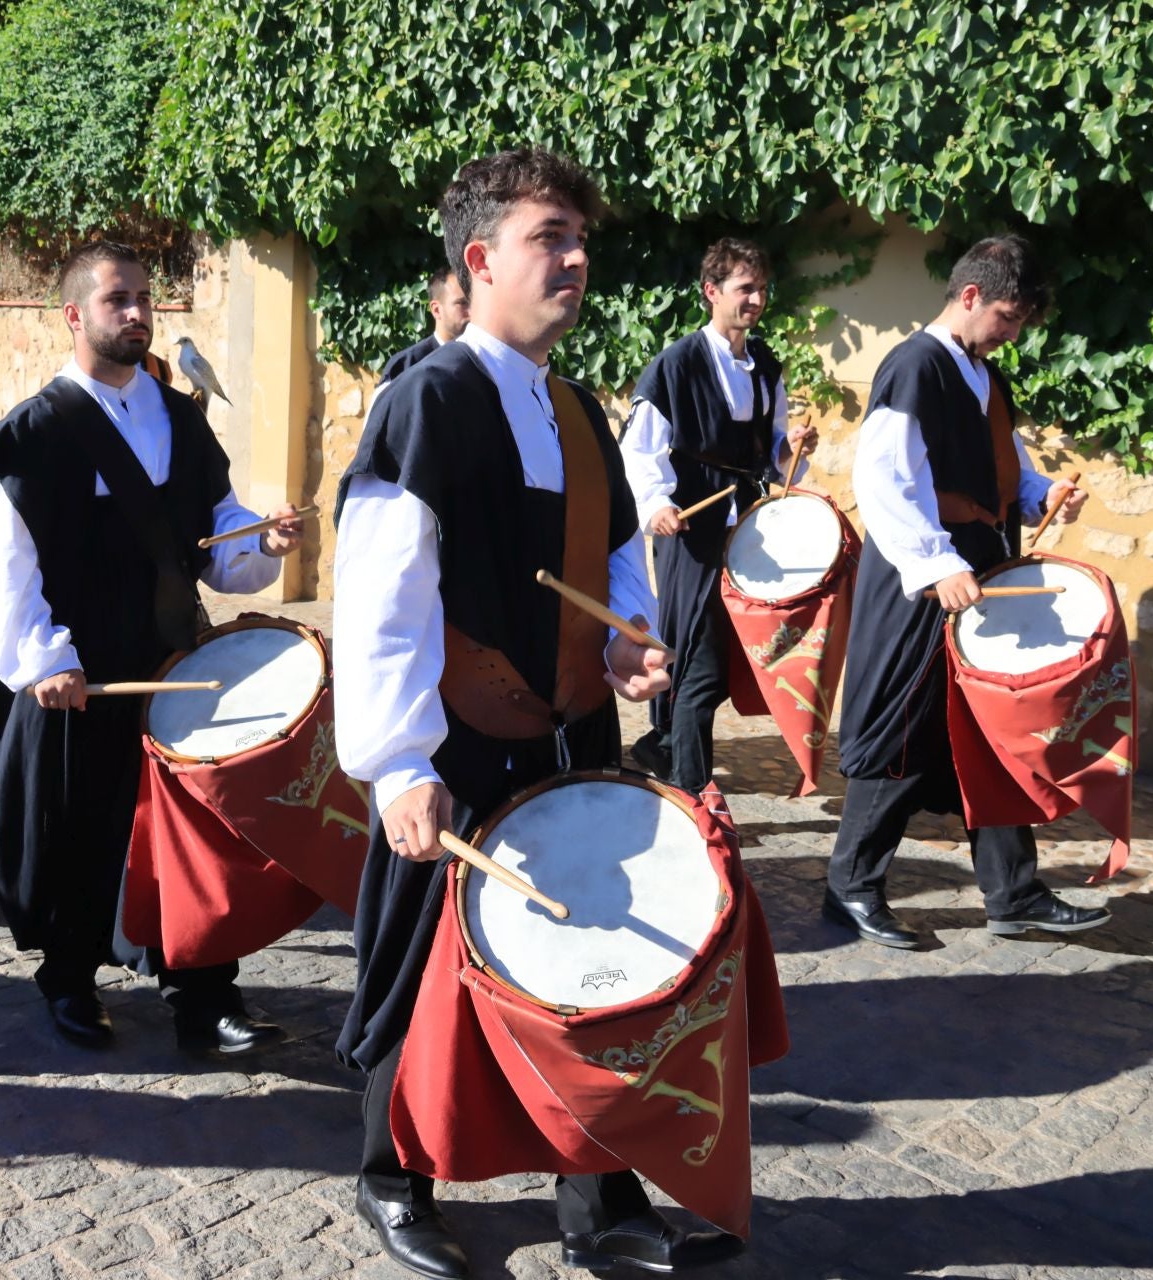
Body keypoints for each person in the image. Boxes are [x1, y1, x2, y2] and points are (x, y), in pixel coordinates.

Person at [333, 149, 735, 1279]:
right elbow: (382, 588)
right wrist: (397, 759)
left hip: (570, 730)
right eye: (549, 238)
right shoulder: (428, 399)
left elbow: (614, 553)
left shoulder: (577, 409)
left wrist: (625, 636)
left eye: (580, 241)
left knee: (582, 960)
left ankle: (599, 1194)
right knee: (420, 961)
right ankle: (391, 1172)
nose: (575, 259)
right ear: (480, 258)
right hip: (453, 738)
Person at [0, 240, 305, 1054]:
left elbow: (215, 529)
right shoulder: (30, 434)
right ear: (74, 315)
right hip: (80, 670)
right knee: (81, 827)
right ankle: (70, 978)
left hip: (168, 659)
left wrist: (261, 541)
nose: (138, 314)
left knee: (187, 830)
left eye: (146, 299)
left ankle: (202, 993)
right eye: (119, 300)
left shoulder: (177, 414)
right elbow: (1, 565)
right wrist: (43, 660)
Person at [824, 234, 1110, 948]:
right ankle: (850, 888)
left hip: (979, 573)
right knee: (900, 728)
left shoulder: (984, 374)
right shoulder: (915, 365)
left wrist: (1044, 492)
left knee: (994, 732)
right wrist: (933, 565)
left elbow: (1000, 464)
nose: (1013, 334)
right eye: (1008, 318)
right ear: (972, 295)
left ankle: (1013, 894)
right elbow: (885, 478)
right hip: (922, 586)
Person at [620, 238, 819, 792]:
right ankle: (692, 789)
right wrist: (657, 504)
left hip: (750, 527)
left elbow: (774, 455)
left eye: (761, 288)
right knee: (697, 663)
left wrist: (794, 446)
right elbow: (641, 449)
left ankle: (664, 750)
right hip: (692, 528)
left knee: (738, 653)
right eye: (744, 288)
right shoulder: (675, 365)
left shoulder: (766, 366)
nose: (755, 298)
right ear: (712, 292)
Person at [367, 265, 469, 413]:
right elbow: (376, 430)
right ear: (436, 310)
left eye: (474, 302)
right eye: (462, 303)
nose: (472, 311)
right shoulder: (404, 367)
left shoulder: (489, 360)